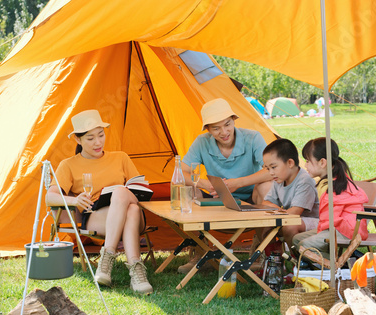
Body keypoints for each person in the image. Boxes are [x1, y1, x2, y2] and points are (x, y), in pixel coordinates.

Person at [45, 109, 154, 294]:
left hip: (130, 207)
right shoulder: (68, 164)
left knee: (123, 196)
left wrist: (123, 193)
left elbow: (138, 189)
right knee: (132, 211)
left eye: (101, 135)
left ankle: (106, 258)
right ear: (78, 140)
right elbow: (50, 197)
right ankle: (137, 272)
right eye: (90, 138)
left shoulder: (121, 157)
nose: (98, 142)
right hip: (97, 214)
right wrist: (74, 200)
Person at [178, 98, 273, 273]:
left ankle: (261, 250)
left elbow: (272, 171)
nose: (224, 132)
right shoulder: (202, 142)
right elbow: (180, 173)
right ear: (208, 130)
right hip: (216, 199)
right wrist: (205, 184)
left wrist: (238, 183)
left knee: (266, 187)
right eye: (216, 128)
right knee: (187, 189)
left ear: (234, 120)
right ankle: (201, 252)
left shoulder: (253, 138)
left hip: (251, 200)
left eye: (227, 124)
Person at [292, 137, 369, 259]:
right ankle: (342, 259)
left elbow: (330, 218)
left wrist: (320, 232)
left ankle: (345, 263)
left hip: (346, 231)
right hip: (338, 227)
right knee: (296, 239)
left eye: (308, 161)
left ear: (322, 162)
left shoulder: (328, 185)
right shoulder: (336, 179)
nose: (305, 165)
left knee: (304, 246)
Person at [259, 138, 319, 252]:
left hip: (315, 222)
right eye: (268, 168)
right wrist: (278, 212)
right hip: (291, 218)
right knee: (263, 223)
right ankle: (272, 257)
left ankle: (298, 259)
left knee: (289, 226)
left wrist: (276, 214)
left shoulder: (304, 180)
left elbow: (295, 213)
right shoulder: (279, 179)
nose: (270, 172)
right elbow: (265, 203)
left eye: (273, 167)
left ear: (290, 163)